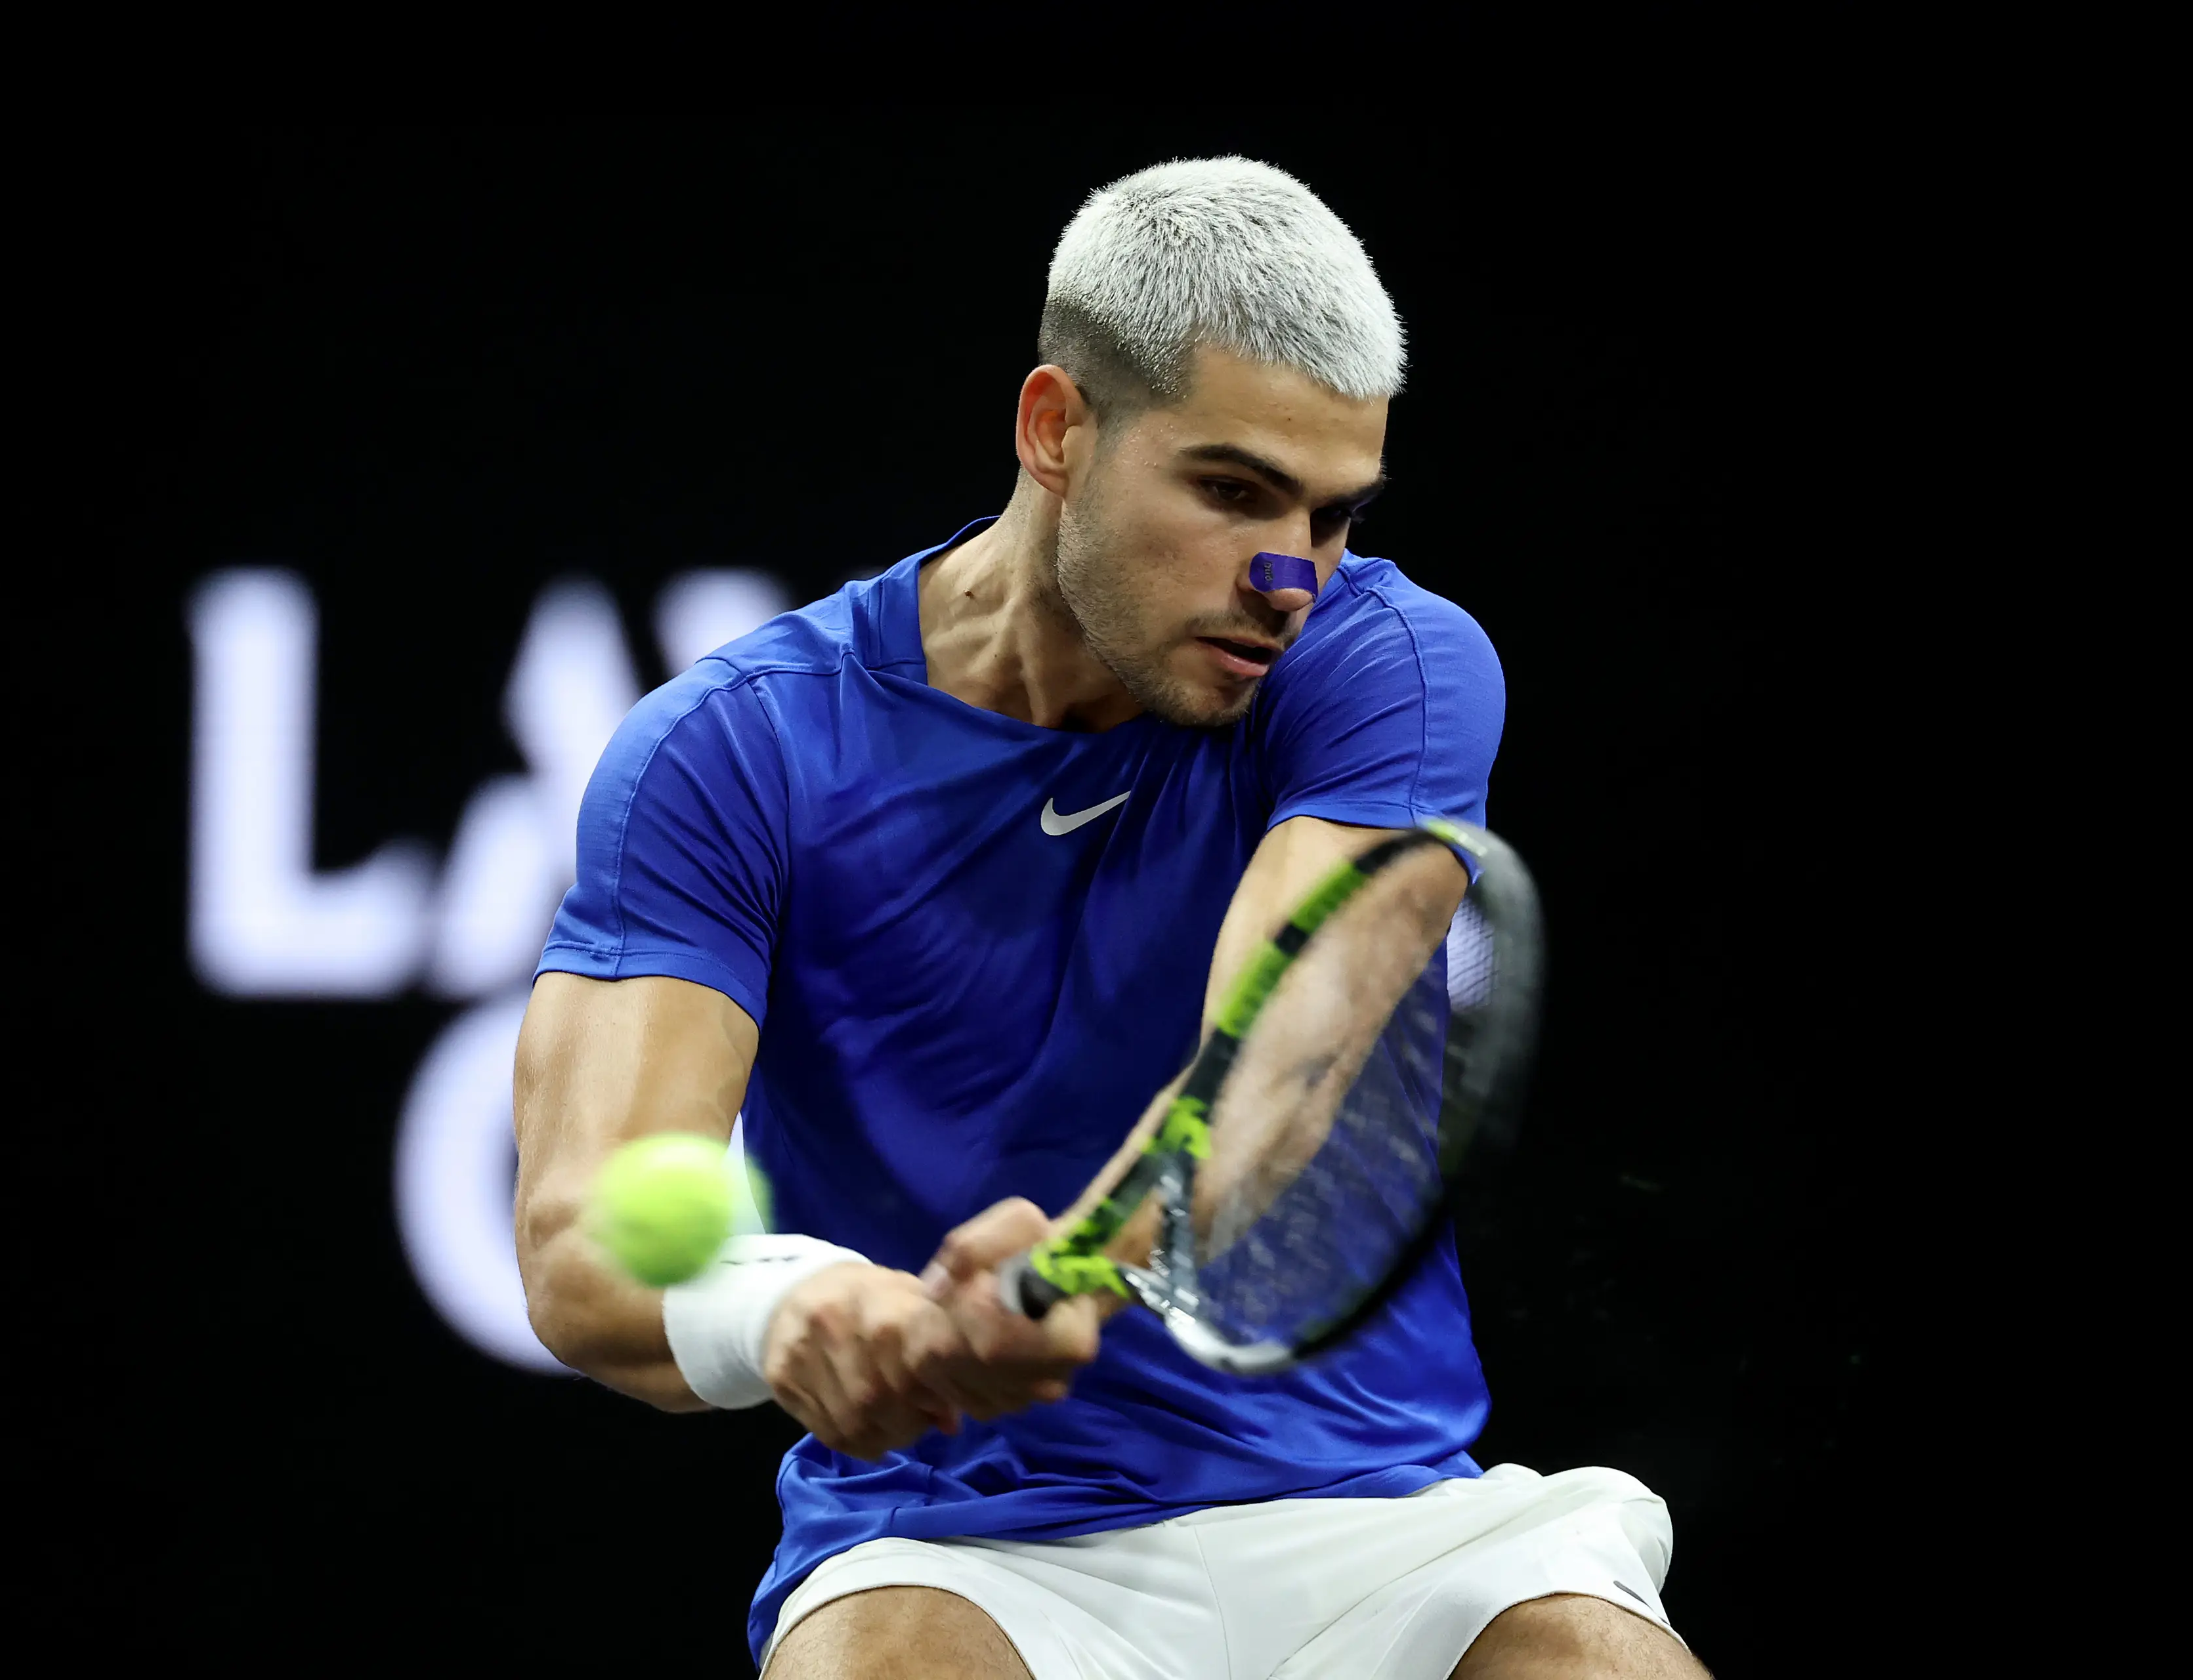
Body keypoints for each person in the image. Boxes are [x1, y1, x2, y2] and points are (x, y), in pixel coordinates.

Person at [514, 157, 1706, 1679]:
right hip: (964, 1548)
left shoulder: (1392, 663)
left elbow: (1280, 1051)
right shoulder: (734, 748)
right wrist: (795, 1302)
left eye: (1333, 516)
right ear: (1057, 428)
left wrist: (1071, 1266)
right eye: (1233, 492)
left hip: (1390, 1524)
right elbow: (577, 1241)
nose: (1291, 577)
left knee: (1591, 1658)